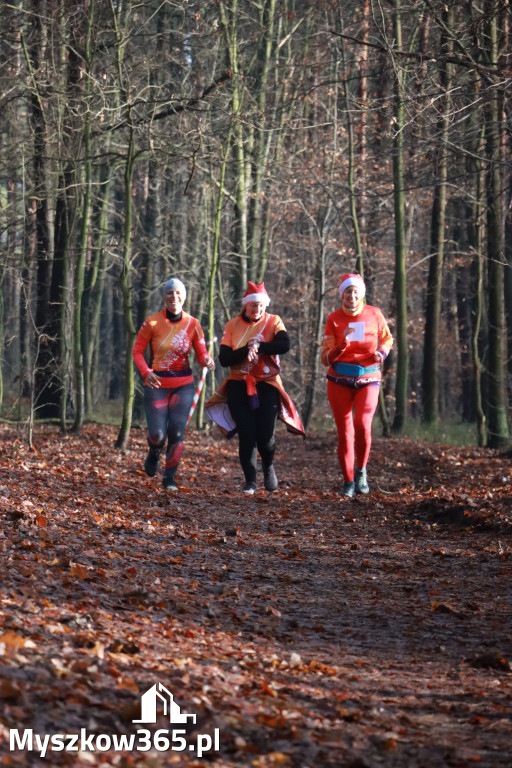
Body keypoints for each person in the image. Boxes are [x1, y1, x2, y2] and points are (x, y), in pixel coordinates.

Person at [206, 281, 304, 494]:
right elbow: (224, 359)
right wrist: (246, 349)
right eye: (252, 305)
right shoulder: (232, 325)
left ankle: (268, 466)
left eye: (260, 305)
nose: (256, 309)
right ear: (245, 305)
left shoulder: (274, 321)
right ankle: (250, 482)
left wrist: (259, 346)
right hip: (238, 384)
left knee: (265, 435)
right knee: (247, 433)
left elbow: (284, 345)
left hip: (267, 383)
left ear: (265, 306)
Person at [132, 277, 215, 491]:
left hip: (183, 385)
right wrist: (147, 372)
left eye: (178, 293)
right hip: (157, 385)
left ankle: (169, 479)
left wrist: (206, 359)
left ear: (184, 297)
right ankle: (154, 451)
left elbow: (201, 352)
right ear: (164, 297)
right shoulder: (152, 322)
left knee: (176, 432)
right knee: (158, 435)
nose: (174, 297)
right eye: (170, 293)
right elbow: (137, 351)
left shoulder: (193, 324)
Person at [321, 273, 393, 498]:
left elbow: (387, 339)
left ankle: (361, 470)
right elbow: (325, 358)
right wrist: (341, 345)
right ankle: (348, 480)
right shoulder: (334, 319)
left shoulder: (374, 313)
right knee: (345, 433)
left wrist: (382, 353)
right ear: (342, 294)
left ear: (361, 294)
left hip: (368, 378)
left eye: (355, 292)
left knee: (362, 424)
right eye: (348, 292)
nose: (351, 296)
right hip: (339, 380)